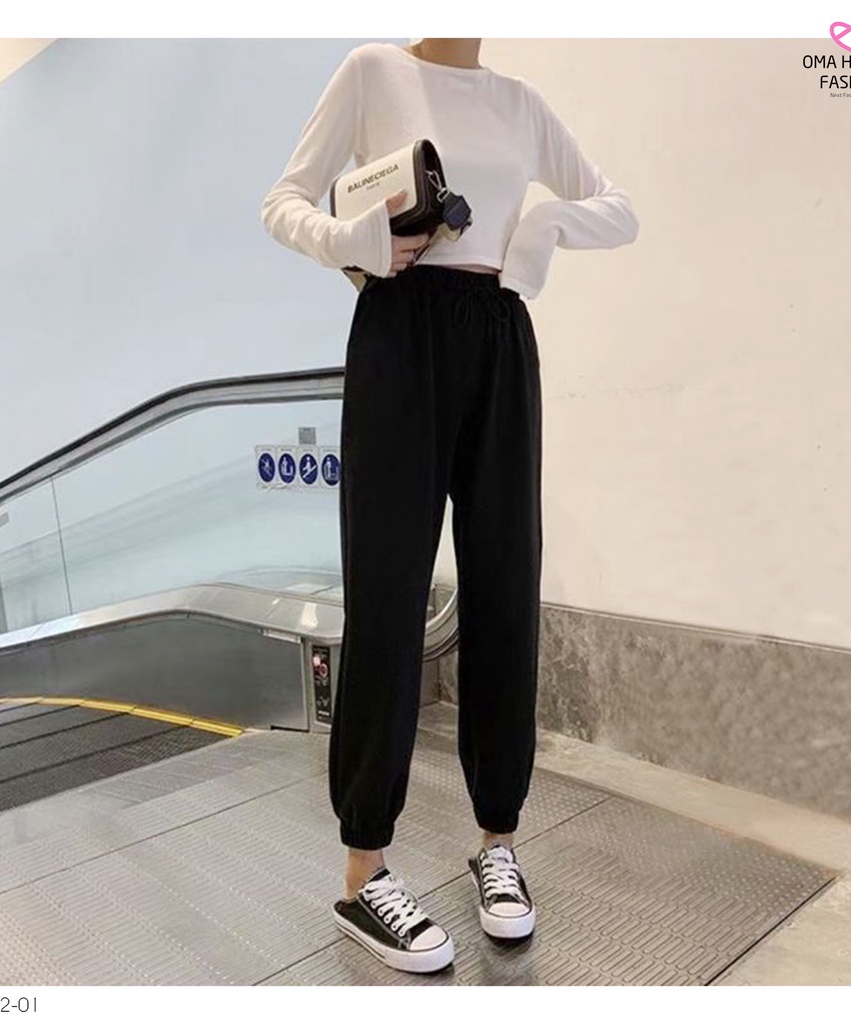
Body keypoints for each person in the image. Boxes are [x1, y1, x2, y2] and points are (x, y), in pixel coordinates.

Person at [261, 37, 639, 974]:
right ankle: (365, 870)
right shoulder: (372, 72)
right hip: (400, 328)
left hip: (500, 335)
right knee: (387, 594)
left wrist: (542, 228)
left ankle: (497, 843)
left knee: (506, 587)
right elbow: (284, 202)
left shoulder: (520, 102)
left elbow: (620, 208)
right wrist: (355, 243)